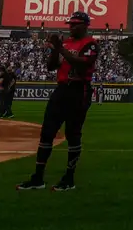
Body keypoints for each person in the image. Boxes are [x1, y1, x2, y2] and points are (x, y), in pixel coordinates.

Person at [17, 12, 99, 192]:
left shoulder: (90, 43)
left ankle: (69, 178)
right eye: (70, 24)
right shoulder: (67, 43)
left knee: (73, 134)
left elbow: (81, 64)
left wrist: (60, 48)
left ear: (85, 25)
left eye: (75, 24)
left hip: (79, 90)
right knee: (47, 132)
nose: (71, 27)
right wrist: (55, 49)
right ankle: (38, 178)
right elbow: (51, 66)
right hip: (61, 89)